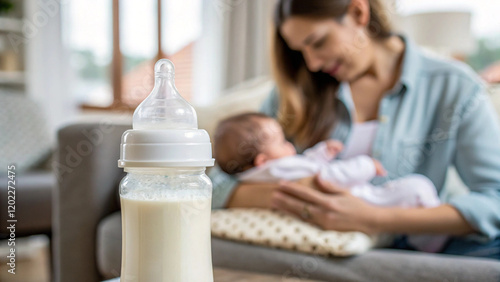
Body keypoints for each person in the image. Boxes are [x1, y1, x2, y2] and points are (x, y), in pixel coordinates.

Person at [209, 0, 500, 259]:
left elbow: (494, 199)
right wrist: (298, 193)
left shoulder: (454, 87)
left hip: (413, 249)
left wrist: (376, 219)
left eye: (318, 42)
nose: (311, 63)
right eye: (301, 51)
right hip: (323, 253)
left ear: (358, 11)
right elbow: (218, 183)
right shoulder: (296, 91)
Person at [214, 112, 447, 252]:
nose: (289, 146)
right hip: (359, 200)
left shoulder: (257, 174)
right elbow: (328, 178)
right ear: (262, 160)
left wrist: (322, 152)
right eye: (282, 142)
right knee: (417, 188)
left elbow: (306, 165)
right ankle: (432, 243)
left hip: (357, 200)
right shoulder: (277, 168)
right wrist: (366, 165)